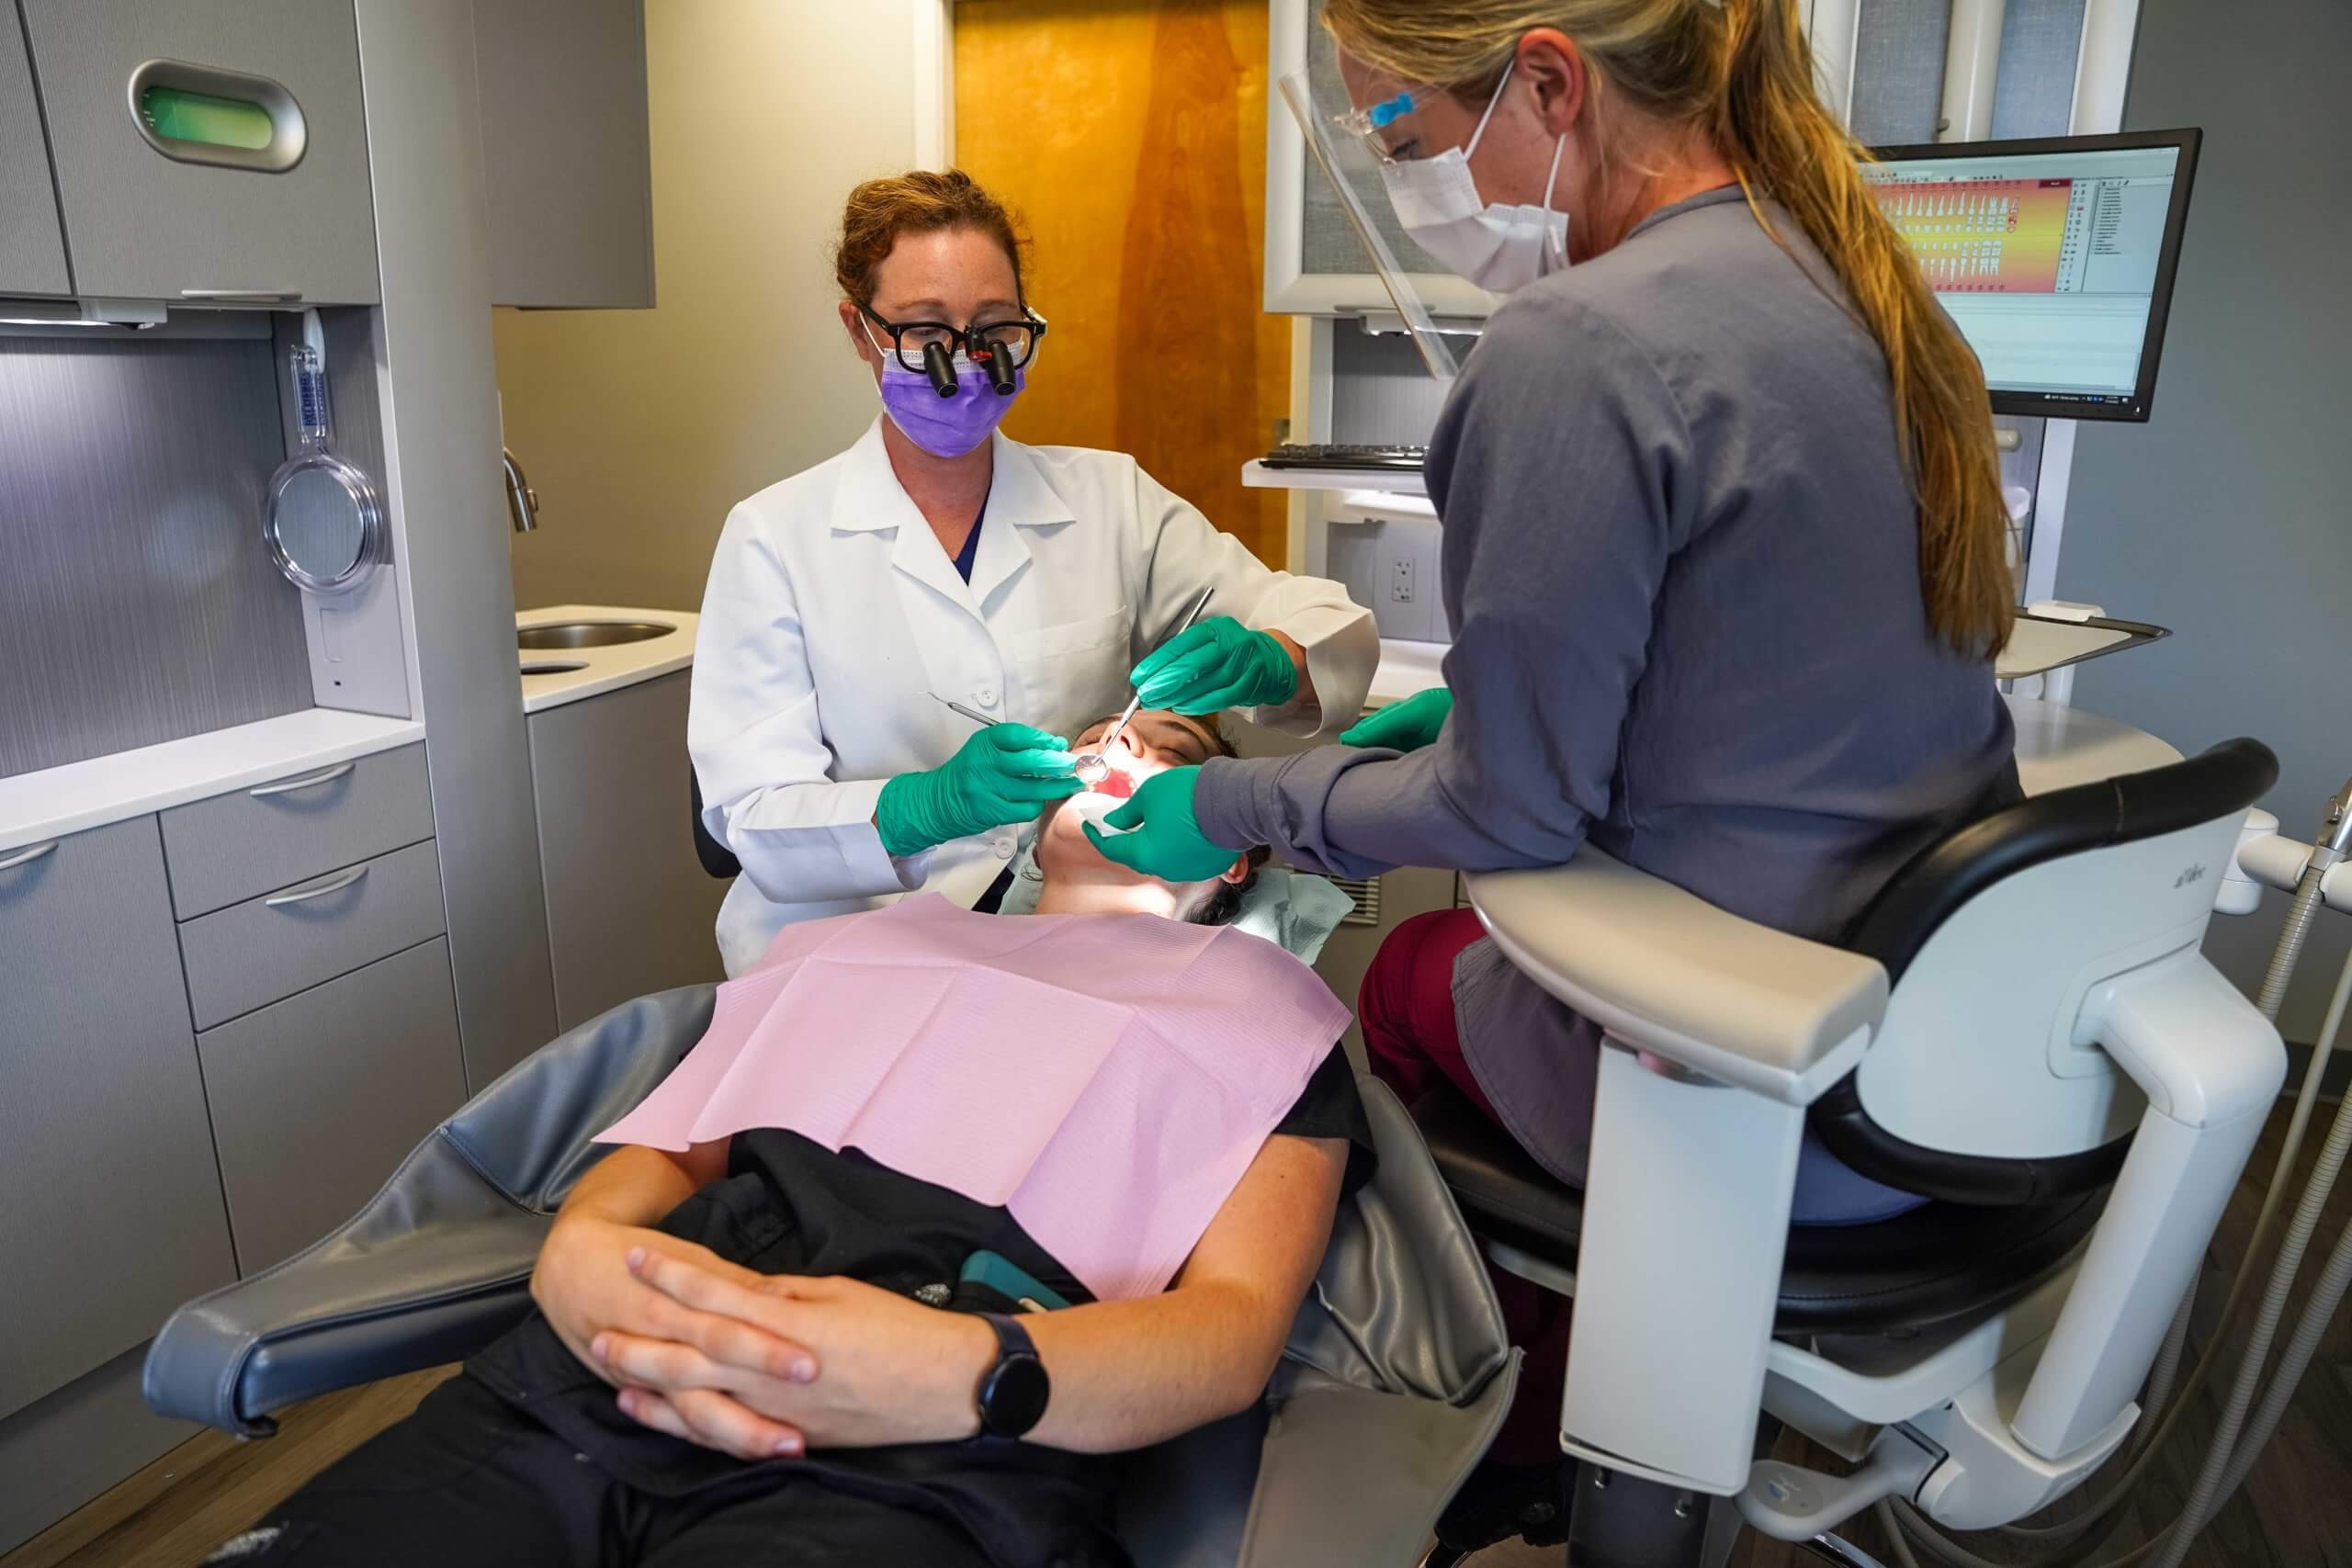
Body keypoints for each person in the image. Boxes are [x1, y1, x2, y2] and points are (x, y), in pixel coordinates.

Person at [1083, 0, 2021, 1544]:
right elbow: (1716, 666)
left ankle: (1507, 1422)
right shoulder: (1846, 273)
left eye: (1396, 129)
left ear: (1546, 79)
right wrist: (1432, 729)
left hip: (1762, 1082)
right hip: (1942, 1063)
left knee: (1393, 987)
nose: (1399, 176)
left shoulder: (1578, 343)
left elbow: (1509, 812)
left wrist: (1226, 802)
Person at [208, 709, 1371, 1568]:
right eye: (1107, 740)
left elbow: (1227, 1334)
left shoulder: (1268, 1020)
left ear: (1230, 859)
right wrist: (577, 1255)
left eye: (1168, 764)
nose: (1121, 756)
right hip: (613, 1370)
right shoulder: (861, 946)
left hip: (937, 1442)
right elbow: (670, 1155)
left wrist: (967, 1375)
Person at [692, 169, 1378, 975]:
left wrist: (1272, 658)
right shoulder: (774, 537)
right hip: (845, 956)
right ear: (860, 330)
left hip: (1069, 958)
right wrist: (920, 808)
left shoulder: (1110, 499)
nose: (967, 361)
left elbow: (1326, 628)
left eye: (994, 327)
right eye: (924, 330)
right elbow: (751, 817)